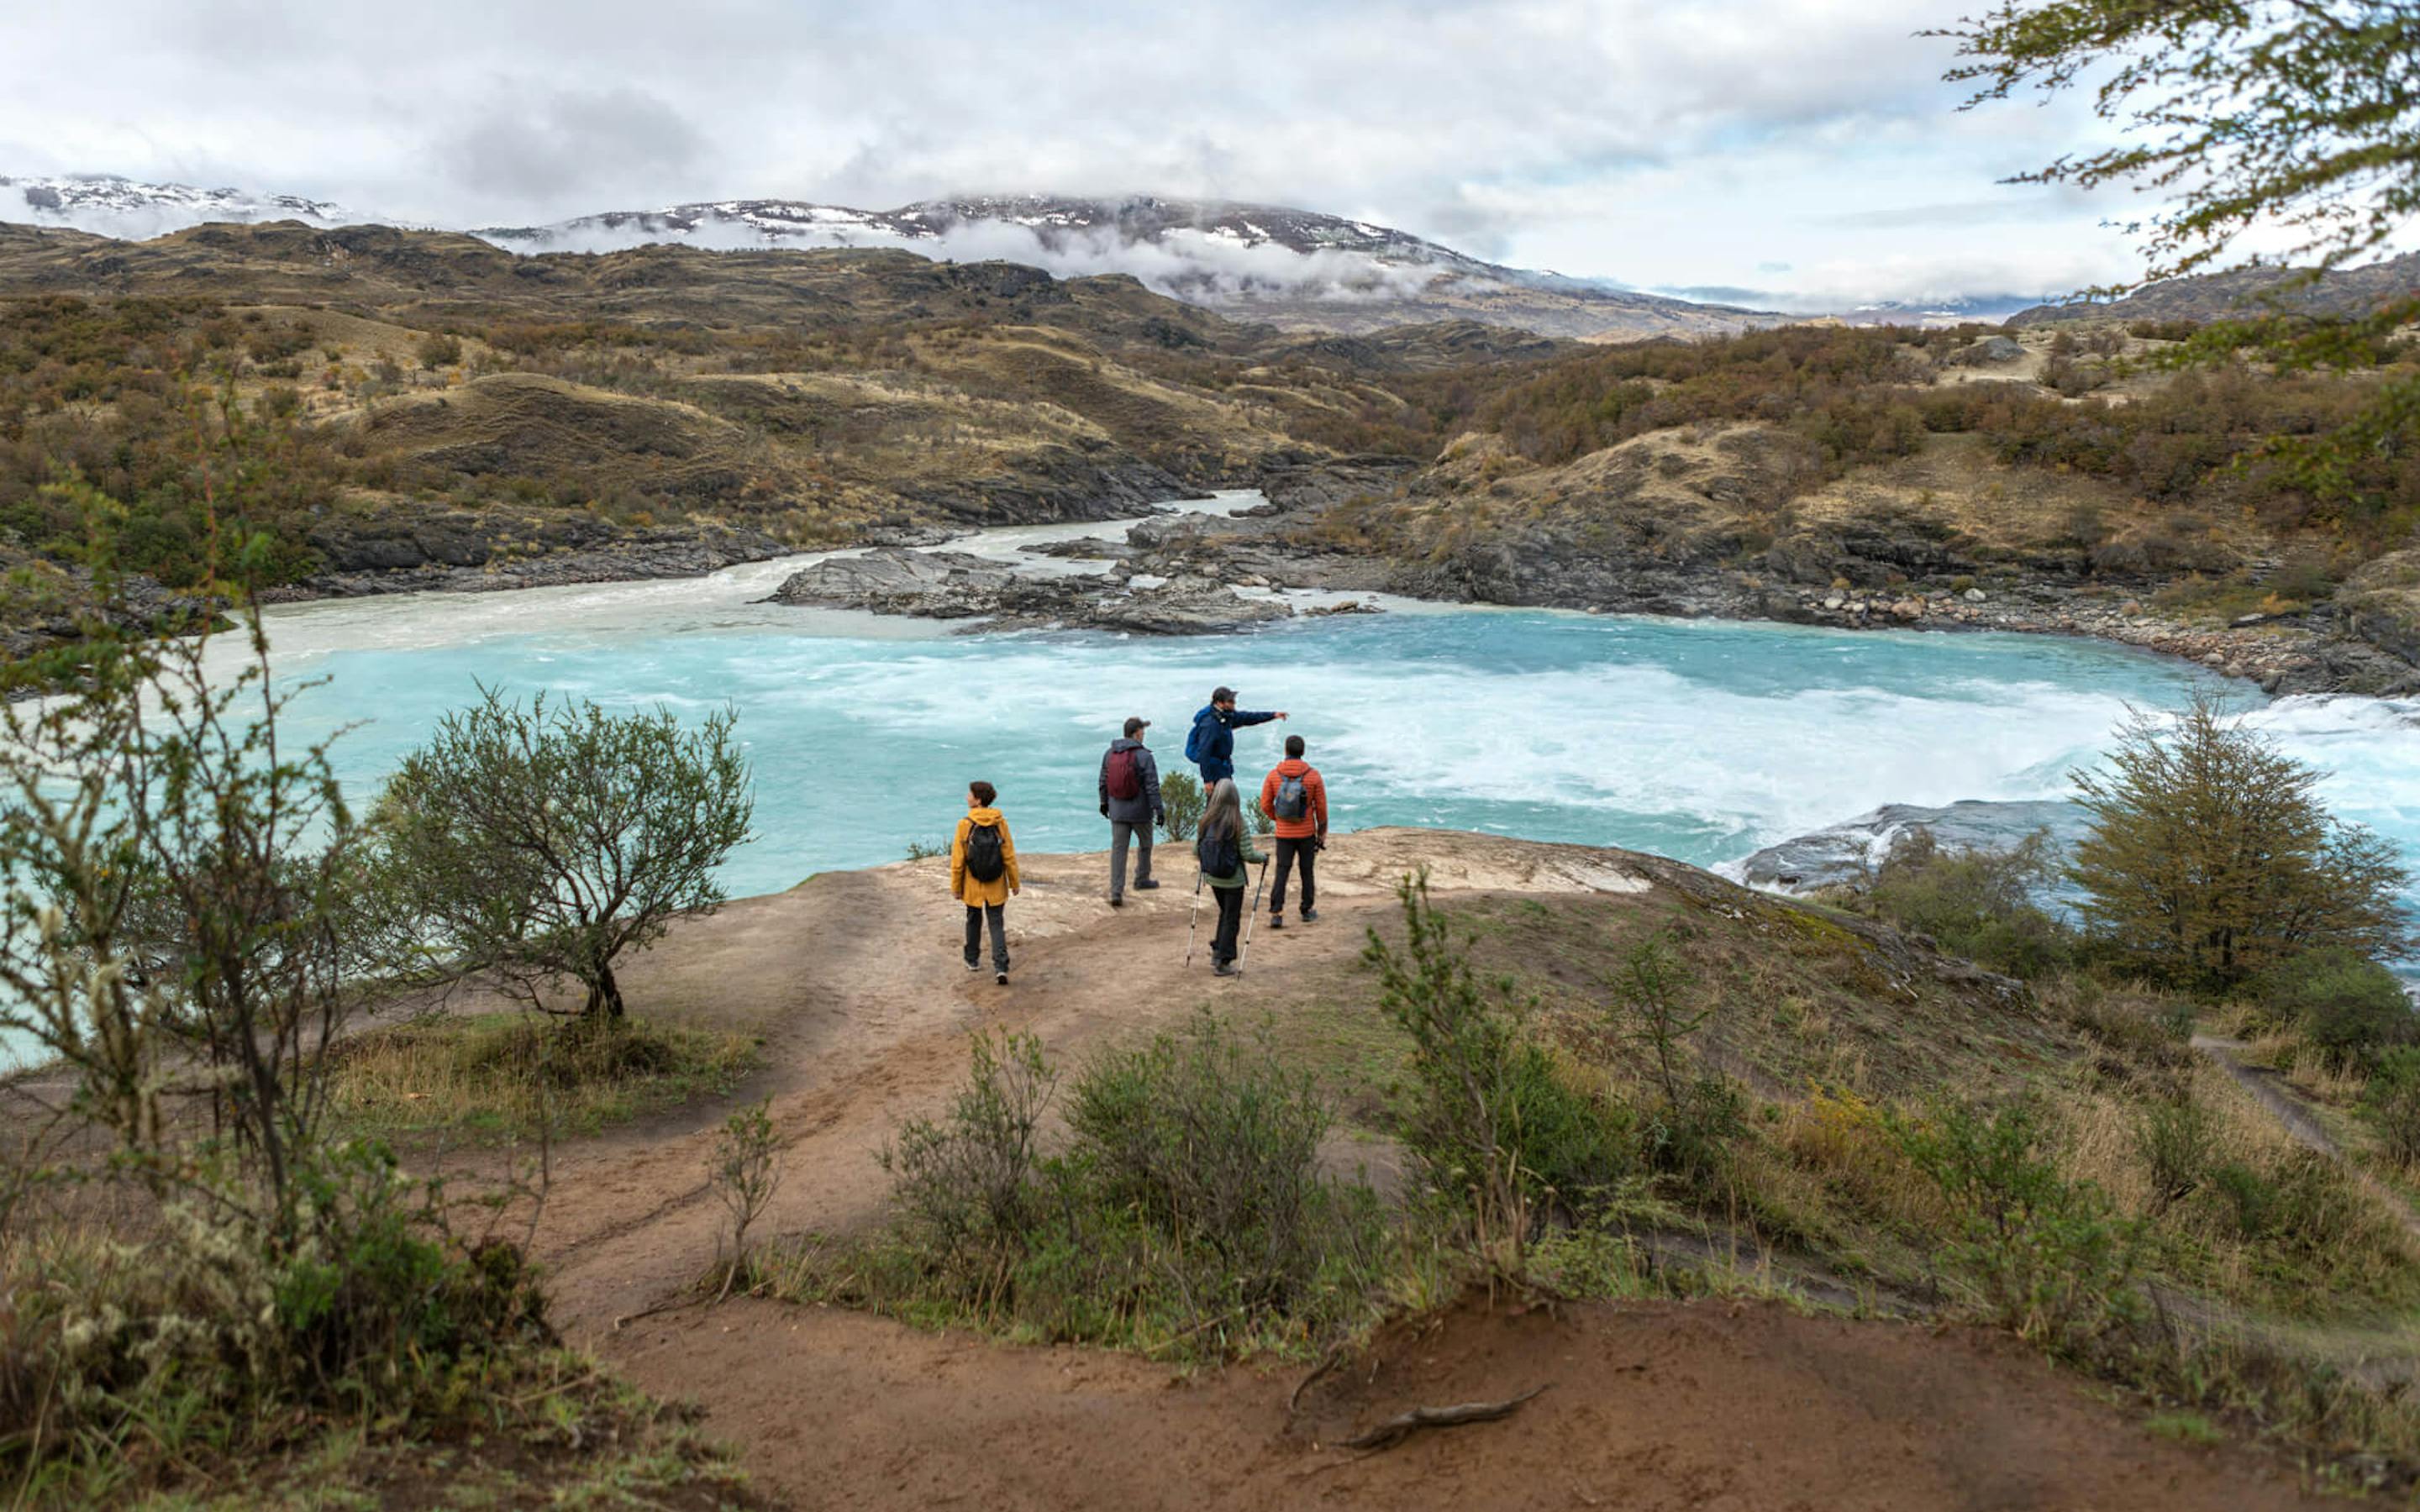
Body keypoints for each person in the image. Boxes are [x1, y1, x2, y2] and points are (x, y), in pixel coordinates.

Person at [950, 780, 1018, 984]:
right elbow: (1009, 855)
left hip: (973, 883)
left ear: (978, 800)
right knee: (996, 922)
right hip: (996, 882)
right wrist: (1015, 882)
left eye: (969, 794)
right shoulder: (1000, 822)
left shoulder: (965, 824)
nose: (966, 797)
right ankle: (1001, 967)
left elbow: (958, 860)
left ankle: (972, 959)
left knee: (973, 919)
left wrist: (956, 887)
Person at [1197, 777, 1266, 977]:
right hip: (1233, 879)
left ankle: (1218, 949)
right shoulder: (1238, 822)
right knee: (1231, 918)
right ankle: (1223, 960)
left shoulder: (1206, 820)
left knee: (1225, 913)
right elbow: (1247, 854)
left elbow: (1197, 849)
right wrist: (1263, 858)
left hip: (1213, 877)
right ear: (1235, 797)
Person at [1258, 733, 1328, 928]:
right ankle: (1306, 909)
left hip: (1283, 833)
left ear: (1286, 751)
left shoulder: (1274, 775)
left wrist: (1278, 818)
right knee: (1307, 871)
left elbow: (1265, 804)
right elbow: (1321, 808)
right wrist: (1321, 833)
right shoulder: (1313, 776)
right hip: (1306, 833)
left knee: (1282, 871)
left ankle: (1277, 912)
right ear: (1303, 752)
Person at [1099, 715, 1165, 907]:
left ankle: (1116, 891)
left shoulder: (1109, 754)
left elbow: (1103, 780)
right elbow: (1152, 786)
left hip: (1117, 810)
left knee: (1119, 850)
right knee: (1145, 844)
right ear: (1137, 734)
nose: (1143, 734)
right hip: (1140, 812)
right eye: (1142, 731)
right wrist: (1159, 810)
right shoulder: (1145, 756)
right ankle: (1142, 878)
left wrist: (1104, 803)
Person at [1186, 685, 1286, 786]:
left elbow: (1248, 718)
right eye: (1230, 701)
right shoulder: (1210, 724)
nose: (1234, 703)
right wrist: (1207, 780)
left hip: (1224, 767)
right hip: (1215, 770)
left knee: (1226, 798)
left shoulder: (1226, 715)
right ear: (1219, 703)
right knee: (1218, 800)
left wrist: (1273, 715)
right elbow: (1204, 752)